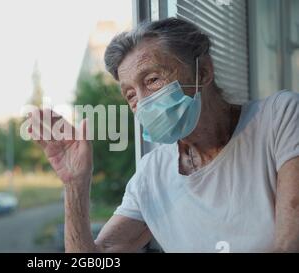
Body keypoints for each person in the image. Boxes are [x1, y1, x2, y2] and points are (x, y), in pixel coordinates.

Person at [27, 18, 299, 253]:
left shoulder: (279, 117)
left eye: (153, 80)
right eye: (131, 95)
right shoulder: (151, 175)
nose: (143, 103)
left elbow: (289, 245)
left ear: (203, 71)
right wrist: (75, 184)